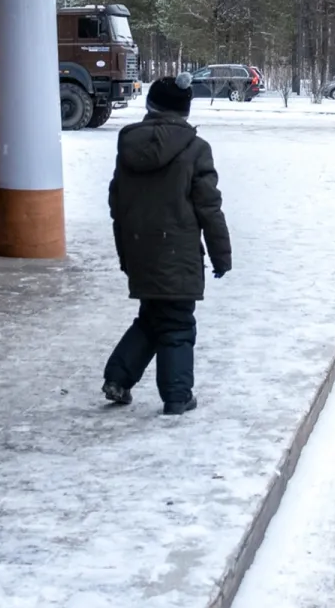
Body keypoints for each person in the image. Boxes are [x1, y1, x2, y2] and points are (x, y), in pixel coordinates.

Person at [103, 74, 233, 415]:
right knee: (176, 322)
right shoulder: (195, 149)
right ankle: (177, 396)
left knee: (153, 316)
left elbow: (117, 201)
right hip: (177, 252)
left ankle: (118, 378)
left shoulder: (128, 144)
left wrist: (125, 252)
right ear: (185, 111)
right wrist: (222, 255)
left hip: (139, 249)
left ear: (150, 106)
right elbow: (209, 207)